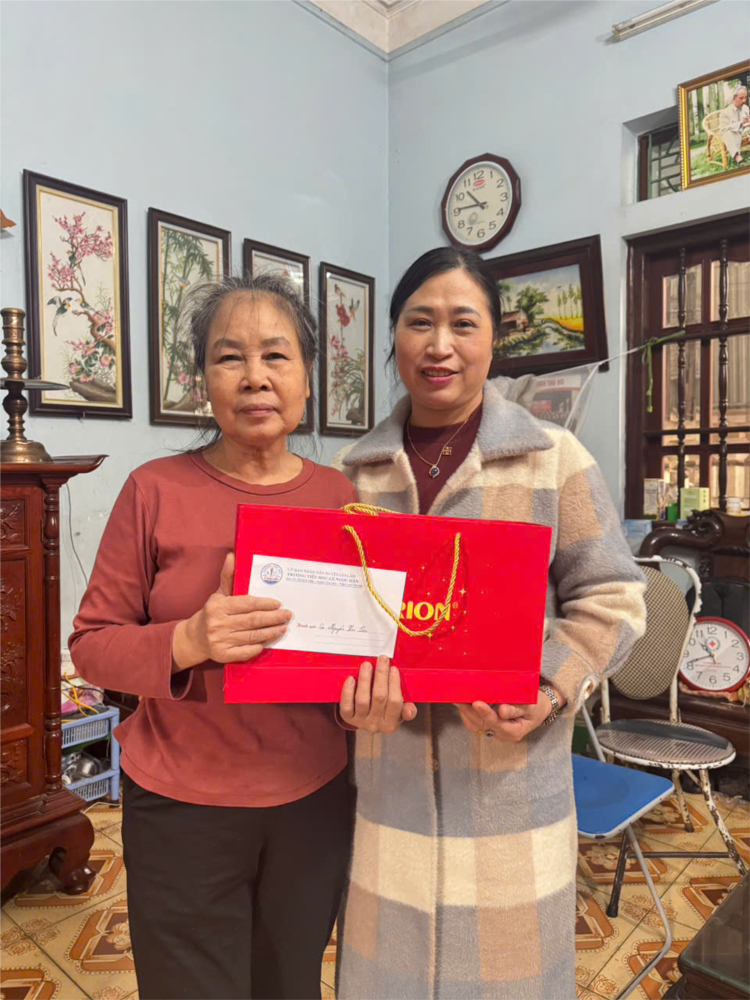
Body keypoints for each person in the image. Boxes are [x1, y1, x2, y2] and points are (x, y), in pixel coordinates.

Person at [332, 248, 647, 999]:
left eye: (462, 324)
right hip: (389, 794)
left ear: (494, 339)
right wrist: (346, 696)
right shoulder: (353, 475)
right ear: (394, 336)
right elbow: (337, 629)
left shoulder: (553, 459)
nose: (439, 345)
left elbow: (614, 596)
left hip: (511, 792)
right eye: (419, 323)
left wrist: (549, 686)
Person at [69, 273, 357, 1000]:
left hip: (313, 797)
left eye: (276, 355)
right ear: (203, 382)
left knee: (290, 983)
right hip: (180, 804)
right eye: (230, 357)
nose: (255, 377)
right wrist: (188, 641)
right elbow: (92, 644)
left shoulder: (343, 499)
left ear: (308, 377)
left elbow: (362, 649)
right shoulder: (154, 489)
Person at [719, 85, 750, 164]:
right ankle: (738, 157)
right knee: (728, 133)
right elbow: (723, 129)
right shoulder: (725, 112)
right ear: (734, 98)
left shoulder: (746, 108)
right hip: (733, 134)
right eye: (741, 98)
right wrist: (741, 123)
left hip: (745, 131)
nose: (744, 101)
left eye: (745, 97)